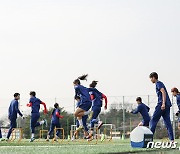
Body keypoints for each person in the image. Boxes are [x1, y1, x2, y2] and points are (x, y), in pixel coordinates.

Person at [149, 72, 174, 142]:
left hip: (161, 105)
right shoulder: (160, 83)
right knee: (167, 122)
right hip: (167, 105)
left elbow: (163, 92)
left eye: (151, 78)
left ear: (154, 77)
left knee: (153, 120)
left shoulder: (158, 83)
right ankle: (172, 140)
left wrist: (163, 103)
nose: (150, 80)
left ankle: (149, 139)